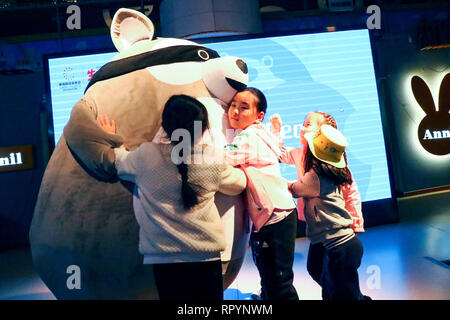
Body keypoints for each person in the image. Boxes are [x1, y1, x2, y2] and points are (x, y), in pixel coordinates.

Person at [96, 94, 247, 300]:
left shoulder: (146, 156)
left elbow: (118, 162)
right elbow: (239, 183)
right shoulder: (210, 158)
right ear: (202, 128)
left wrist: (110, 139)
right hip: (205, 257)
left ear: (165, 125)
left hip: (164, 259)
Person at [270, 111, 365, 299]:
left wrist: (355, 222)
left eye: (308, 124)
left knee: (340, 286)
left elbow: (351, 192)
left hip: (337, 236)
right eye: (303, 122)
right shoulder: (299, 154)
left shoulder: (330, 167)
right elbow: (279, 154)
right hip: (322, 232)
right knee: (316, 268)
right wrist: (276, 131)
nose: (302, 127)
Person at [224, 87, 299, 300]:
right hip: (278, 213)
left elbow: (225, 158)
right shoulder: (259, 131)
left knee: (278, 281)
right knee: (272, 274)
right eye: (233, 105)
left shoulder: (248, 136)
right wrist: (276, 130)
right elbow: (277, 145)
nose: (235, 111)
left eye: (244, 107)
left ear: (259, 116)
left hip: (273, 214)